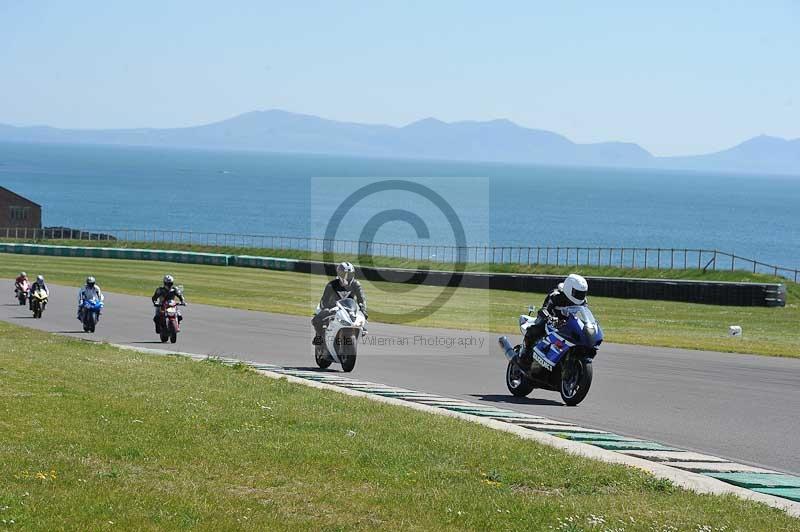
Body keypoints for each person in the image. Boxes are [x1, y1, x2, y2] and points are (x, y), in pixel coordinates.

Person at [518, 274, 589, 369]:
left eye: (582, 293)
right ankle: (524, 354)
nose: (580, 296)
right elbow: (544, 309)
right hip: (550, 320)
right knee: (536, 329)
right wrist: (550, 317)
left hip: (567, 324)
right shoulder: (556, 296)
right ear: (569, 289)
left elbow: (584, 314)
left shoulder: (583, 301)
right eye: (578, 293)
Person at [312, 262, 367, 345]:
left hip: (350, 308)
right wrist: (327, 309)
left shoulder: (356, 284)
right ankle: (319, 336)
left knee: (361, 319)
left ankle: (359, 329)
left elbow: (361, 299)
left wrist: (363, 309)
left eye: (349, 274)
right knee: (317, 319)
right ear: (339, 274)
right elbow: (324, 301)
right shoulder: (332, 285)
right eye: (344, 274)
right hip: (333, 307)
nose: (347, 277)